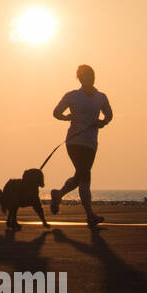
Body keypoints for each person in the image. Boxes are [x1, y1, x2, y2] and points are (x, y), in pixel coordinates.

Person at [50, 64, 112, 226]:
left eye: (91, 75)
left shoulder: (101, 97)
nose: (89, 78)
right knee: (85, 175)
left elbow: (109, 114)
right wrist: (67, 118)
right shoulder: (72, 96)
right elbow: (56, 112)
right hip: (74, 141)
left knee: (80, 176)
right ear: (80, 78)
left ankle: (58, 194)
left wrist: (102, 122)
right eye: (85, 76)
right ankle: (90, 215)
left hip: (91, 142)